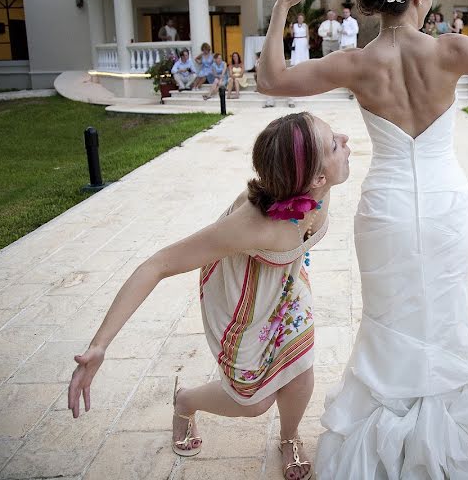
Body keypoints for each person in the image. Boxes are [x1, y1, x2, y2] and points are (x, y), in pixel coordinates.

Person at [257, 0, 468, 479]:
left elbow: (270, 80)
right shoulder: (449, 51)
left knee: (387, 323)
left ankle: (377, 445)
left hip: (385, 210)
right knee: (445, 319)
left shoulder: (357, 62)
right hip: (444, 207)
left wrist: (282, 8)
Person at [67, 112, 351, 480]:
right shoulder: (251, 226)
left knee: (299, 373)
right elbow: (158, 264)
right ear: (315, 177)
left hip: (285, 287)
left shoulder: (320, 188)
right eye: (333, 143)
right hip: (242, 302)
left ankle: (289, 437)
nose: (344, 139)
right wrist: (100, 344)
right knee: (254, 402)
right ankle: (185, 400)